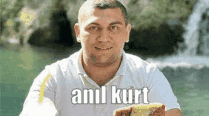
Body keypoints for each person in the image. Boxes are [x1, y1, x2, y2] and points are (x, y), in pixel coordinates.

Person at [19, 0, 182, 116]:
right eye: (93, 28)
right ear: (77, 32)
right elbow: (37, 107)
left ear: (127, 32)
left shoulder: (148, 76)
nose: (104, 38)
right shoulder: (53, 77)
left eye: (114, 27)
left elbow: (171, 113)